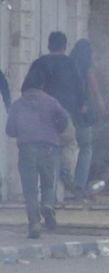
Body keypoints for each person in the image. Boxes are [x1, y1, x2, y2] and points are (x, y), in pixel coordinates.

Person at [22, 31, 84, 194]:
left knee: (44, 151)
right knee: (68, 146)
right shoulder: (72, 65)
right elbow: (79, 92)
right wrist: (78, 111)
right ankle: (67, 177)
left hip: (42, 118)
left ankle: (48, 193)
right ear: (65, 46)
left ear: (49, 45)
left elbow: (27, 90)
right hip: (65, 116)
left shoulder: (39, 63)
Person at [5, 88, 70, 238]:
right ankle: (47, 204)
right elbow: (64, 119)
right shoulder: (51, 101)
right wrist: (55, 130)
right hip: (48, 146)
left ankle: (34, 223)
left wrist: (22, 131)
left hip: (27, 148)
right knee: (48, 183)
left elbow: (10, 130)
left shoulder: (18, 105)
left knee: (30, 189)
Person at [66, 39, 106, 198]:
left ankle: (63, 185)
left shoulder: (66, 66)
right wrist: (102, 107)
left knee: (64, 148)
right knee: (85, 146)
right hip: (82, 114)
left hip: (65, 112)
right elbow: (95, 91)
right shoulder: (87, 68)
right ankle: (79, 186)